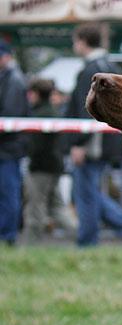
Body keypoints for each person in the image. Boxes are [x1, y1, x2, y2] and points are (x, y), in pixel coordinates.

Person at [64, 22, 122, 247]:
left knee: (86, 195)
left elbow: (87, 109)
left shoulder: (91, 70)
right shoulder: (109, 65)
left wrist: (79, 143)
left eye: (75, 41)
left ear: (82, 42)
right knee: (90, 193)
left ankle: (88, 242)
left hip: (91, 144)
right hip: (106, 142)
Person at [21, 78, 78, 243]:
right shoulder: (52, 112)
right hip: (54, 167)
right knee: (58, 208)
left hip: (40, 168)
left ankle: (30, 247)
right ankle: (81, 235)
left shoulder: (40, 115)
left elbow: (35, 147)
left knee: (34, 209)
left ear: (36, 94)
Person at [0, 40, 29, 246]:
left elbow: (10, 115)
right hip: (7, 148)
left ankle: (8, 236)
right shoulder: (8, 78)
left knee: (9, 194)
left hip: (9, 148)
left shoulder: (14, 80)